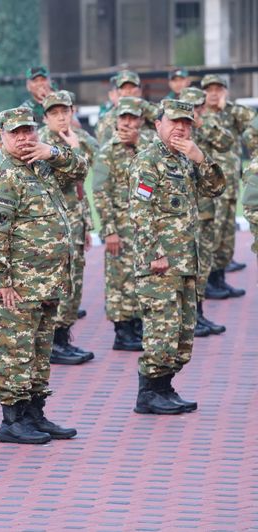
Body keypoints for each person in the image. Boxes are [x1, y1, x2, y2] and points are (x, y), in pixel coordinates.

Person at [0, 107, 85, 445]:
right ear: (2, 136)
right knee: (14, 351)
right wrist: (2, 284)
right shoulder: (4, 176)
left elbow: (82, 167)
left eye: (28, 131)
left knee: (40, 350)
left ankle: (35, 413)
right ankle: (12, 420)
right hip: (19, 285)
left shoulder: (41, 164)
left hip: (46, 281)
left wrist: (52, 151)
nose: (24, 138)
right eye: (16, 133)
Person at [129, 99, 225, 415]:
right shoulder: (148, 162)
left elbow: (215, 189)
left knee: (182, 334)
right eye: (174, 122)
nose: (180, 129)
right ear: (158, 124)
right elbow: (140, 211)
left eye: (186, 124)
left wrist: (200, 158)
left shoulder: (184, 160)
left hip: (184, 262)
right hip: (160, 265)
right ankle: (149, 394)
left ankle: (164, 387)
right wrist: (156, 253)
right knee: (162, 331)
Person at [92, 97, 154, 352]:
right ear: (116, 120)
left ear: (140, 120)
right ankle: (122, 331)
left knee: (143, 276)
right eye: (123, 118)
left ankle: (138, 325)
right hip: (120, 225)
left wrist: (139, 142)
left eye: (132, 118)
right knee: (119, 279)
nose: (128, 123)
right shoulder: (107, 152)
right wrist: (109, 231)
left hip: (145, 227)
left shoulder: (149, 148)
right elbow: (100, 193)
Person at [38, 91, 96, 364]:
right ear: (46, 117)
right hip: (53, 229)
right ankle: (53, 342)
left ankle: (64, 336)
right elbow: (69, 175)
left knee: (75, 282)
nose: (61, 118)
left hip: (75, 221)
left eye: (65, 112)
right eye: (54, 114)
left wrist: (86, 227)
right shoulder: (41, 144)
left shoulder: (77, 138)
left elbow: (96, 163)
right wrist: (74, 151)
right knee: (59, 283)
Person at [179, 87, 233, 336]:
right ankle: (190, 318)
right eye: (191, 107)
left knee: (204, 262)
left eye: (198, 107)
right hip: (185, 215)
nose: (196, 111)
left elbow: (227, 142)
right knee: (190, 267)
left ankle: (199, 314)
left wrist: (203, 124)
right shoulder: (176, 136)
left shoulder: (203, 128)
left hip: (207, 209)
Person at [201, 74, 255, 291]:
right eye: (209, 89)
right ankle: (209, 281)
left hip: (231, 183)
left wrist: (229, 106)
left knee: (226, 235)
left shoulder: (232, 111)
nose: (214, 93)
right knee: (212, 234)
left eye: (218, 89)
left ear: (225, 91)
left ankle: (220, 278)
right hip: (212, 187)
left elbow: (253, 120)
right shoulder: (197, 115)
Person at [95, 70, 158, 145]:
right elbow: (103, 147)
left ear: (140, 91)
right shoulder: (107, 118)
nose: (128, 91)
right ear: (118, 92)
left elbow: (163, 119)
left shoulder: (149, 110)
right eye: (124, 88)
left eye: (132, 87)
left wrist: (142, 104)